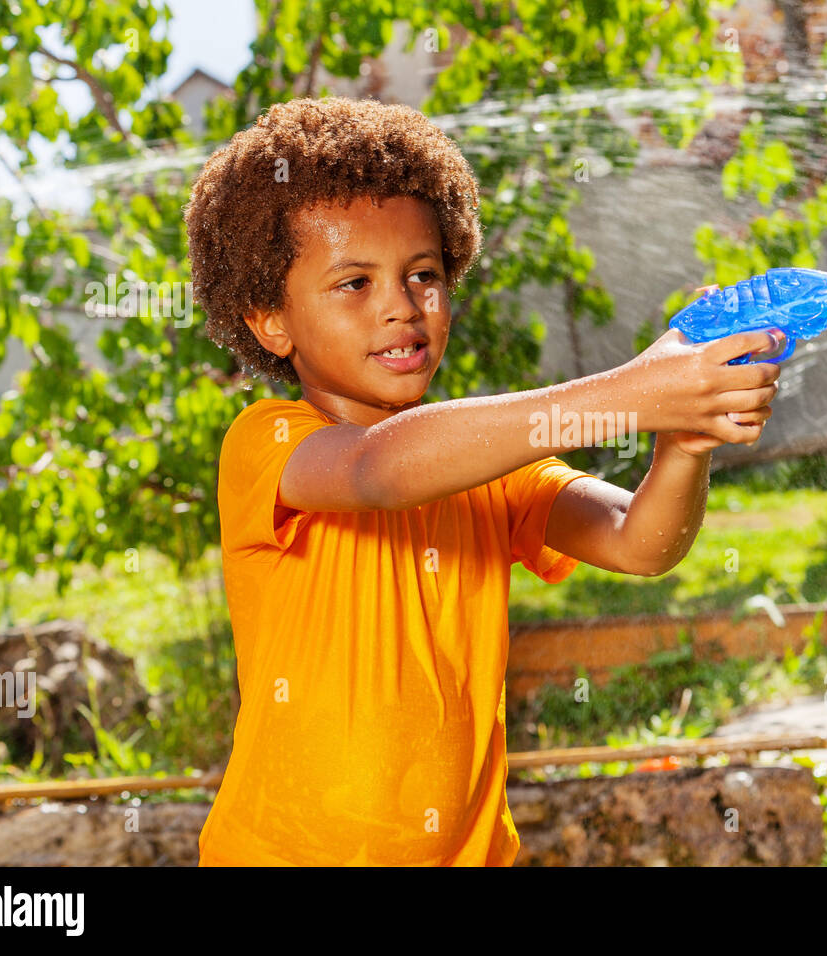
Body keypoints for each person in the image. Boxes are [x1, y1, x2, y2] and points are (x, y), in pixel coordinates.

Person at [185, 96, 780, 865]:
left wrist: (686, 442)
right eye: (354, 284)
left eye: (423, 274)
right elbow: (380, 470)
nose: (402, 306)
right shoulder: (267, 442)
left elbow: (641, 543)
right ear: (270, 320)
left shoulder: (490, 468)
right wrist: (637, 390)